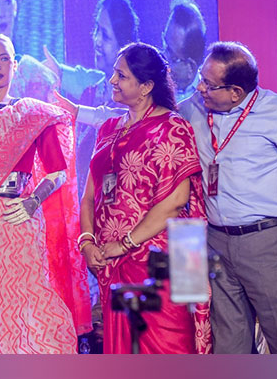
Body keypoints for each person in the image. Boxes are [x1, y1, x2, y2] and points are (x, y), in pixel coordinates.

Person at [0, 34, 91, 353]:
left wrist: (33, 201)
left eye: (4, 59)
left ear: (15, 64)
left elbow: (57, 172)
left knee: (27, 304)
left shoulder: (32, 116)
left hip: (18, 221)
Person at [179, 41, 277, 354]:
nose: (200, 88)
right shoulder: (193, 107)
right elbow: (151, 121)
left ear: (236, 92)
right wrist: (85, 114)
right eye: (201, 79)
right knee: (229, 345)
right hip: (215, 241)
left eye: (209, 84)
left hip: (267, 242)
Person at [79, 42, 211, 354]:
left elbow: (176, 201)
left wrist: (124, 243)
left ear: (146, 86)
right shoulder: (108, 129)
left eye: (121, 76)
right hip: (112, 264)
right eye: (114, 73)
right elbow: (89, 196)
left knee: (167, 349)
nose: (112, 80)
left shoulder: (173, 128)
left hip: (159, 265)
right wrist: (86, 242)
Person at [49, 0, 140, 195]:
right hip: (84, 205)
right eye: (97, 30)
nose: (97, 40)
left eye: (105, 36)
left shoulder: (134, 102)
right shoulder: (91, 93)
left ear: (123, 45)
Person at [162, 0, 206, 102]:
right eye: (165, 45)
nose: (164, 57)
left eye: (173, 57)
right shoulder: (151, 88)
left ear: (191, 67)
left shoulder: (207, 100)